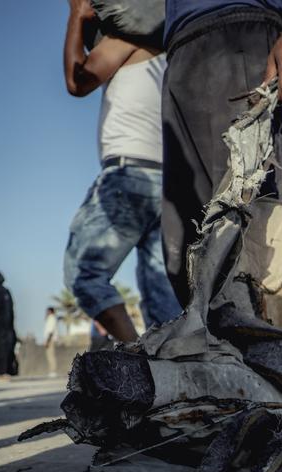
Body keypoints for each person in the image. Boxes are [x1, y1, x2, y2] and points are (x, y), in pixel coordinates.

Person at [161, 0, 282, 305]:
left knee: (261, 242)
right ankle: (219, 348)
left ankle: (277, 349)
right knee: (184, 252)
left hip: (240, 30)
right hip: (180, 48)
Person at [62, 0, 181, 343]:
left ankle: (134, 356)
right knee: (163, 297)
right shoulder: (171, 54)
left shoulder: (125, 42)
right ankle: (169, 371)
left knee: (84, 273)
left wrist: (76, 14)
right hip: (168, 184)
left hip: (130, 176)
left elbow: (76, 80)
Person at [44, 307, 59, 378]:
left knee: (51, 356)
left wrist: (47, 341)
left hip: (50, 340)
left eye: (48, 311)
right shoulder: (51, 318)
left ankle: (53, 371)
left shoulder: (51, 318)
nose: (46, 313)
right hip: (50, 339)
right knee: (49, 355)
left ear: (50, 311)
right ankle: (52, 371)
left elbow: (50, 331)